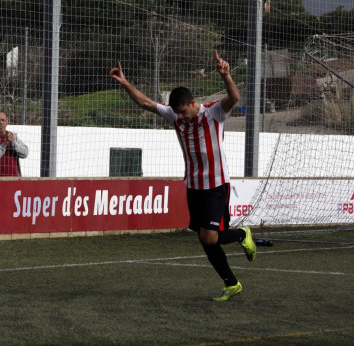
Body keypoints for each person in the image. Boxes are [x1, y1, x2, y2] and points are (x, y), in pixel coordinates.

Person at [109, 50, 256, 301]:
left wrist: (226, 76)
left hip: (216, 185)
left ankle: (243, 234)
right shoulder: (176, 117)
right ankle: (231, 283)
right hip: (193, 187)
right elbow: (145, 103)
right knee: (205, 239)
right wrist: (125, 83)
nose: (178, 117)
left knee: (209, 236)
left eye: (182, 112)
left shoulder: (213, 113)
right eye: (175, 112)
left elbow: (234, 97)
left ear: (191, 104)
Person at [0, 111, 28, 177]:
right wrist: (4, 145)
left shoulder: (13, 136)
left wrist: (13, 144)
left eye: (3, 120)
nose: (0, 123)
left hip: (14, 180)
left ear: (7, 122)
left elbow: (25, 153)